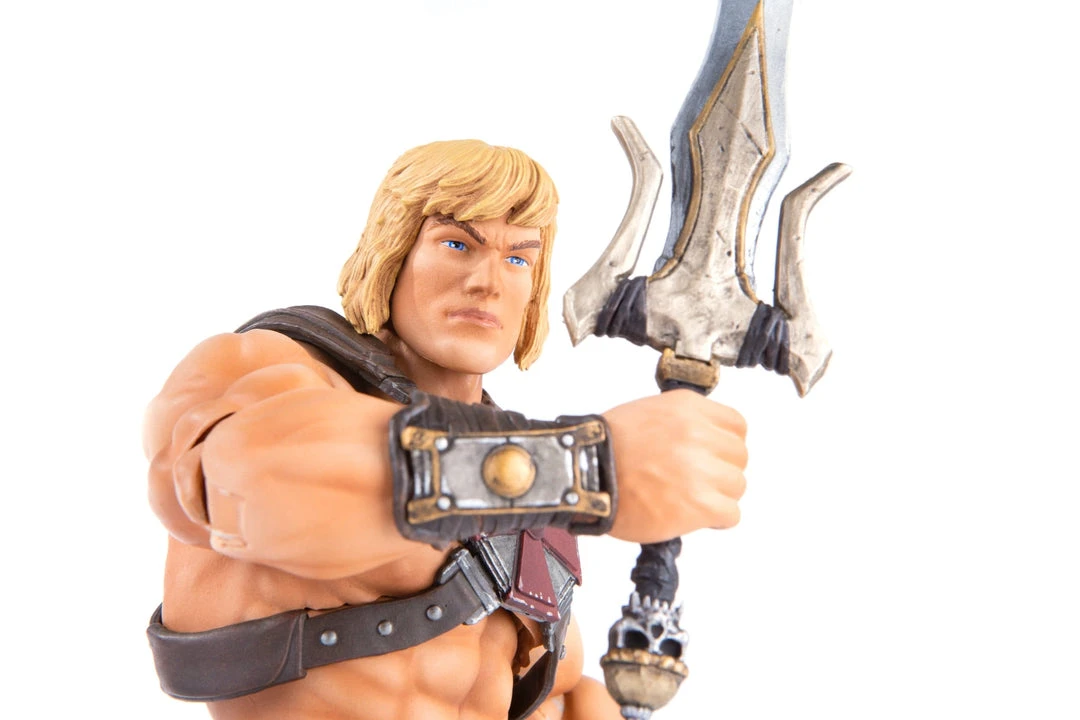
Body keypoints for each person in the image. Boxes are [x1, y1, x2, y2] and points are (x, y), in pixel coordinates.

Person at [144, 139, 749, 720]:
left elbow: (553, 692)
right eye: (458, 244)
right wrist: (583, 468)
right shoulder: (268, 371)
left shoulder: (530, 512)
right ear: (394, 250)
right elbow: (252, 483)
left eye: (518, 258)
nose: (489, 281)